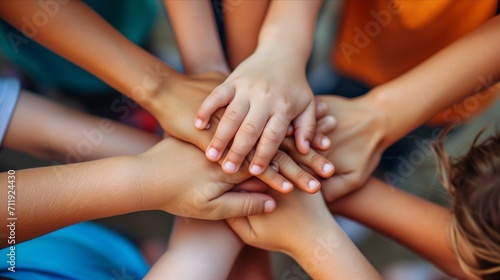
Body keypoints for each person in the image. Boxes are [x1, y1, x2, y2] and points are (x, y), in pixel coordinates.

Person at [0, 1, 335, 194]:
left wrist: (205, 67)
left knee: (134, 52)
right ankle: (135, 105)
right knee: (93, 89)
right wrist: (165, 89)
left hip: (125, 15)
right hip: (51, 52)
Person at [222, 0, 500, 201]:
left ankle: (373, 179)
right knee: (332, 110)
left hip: (452, 88)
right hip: (362, 45)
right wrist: (282, 46)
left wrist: (384, 116)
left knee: (397, 147)